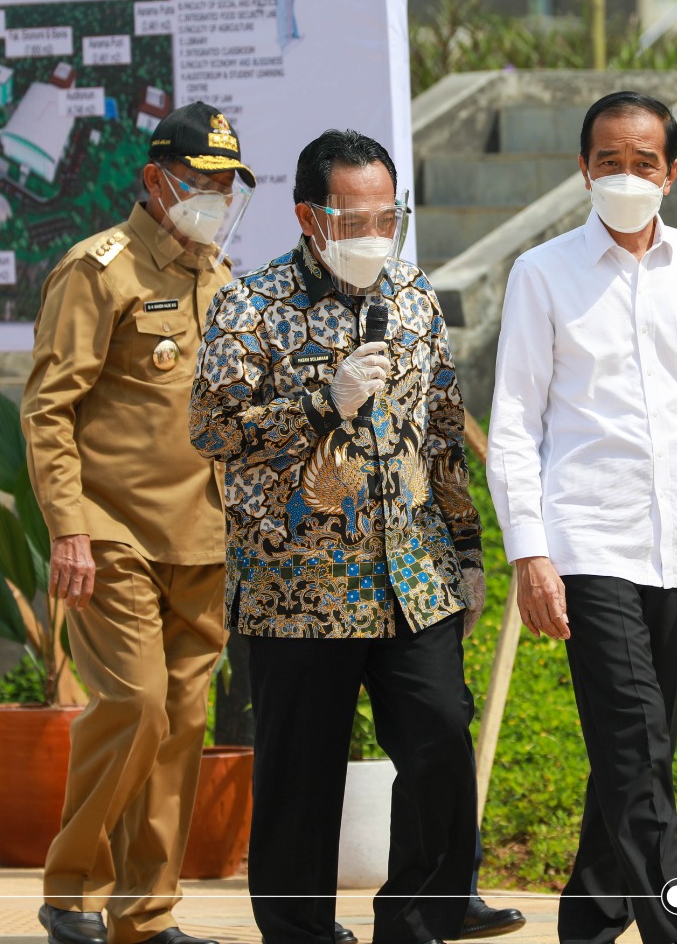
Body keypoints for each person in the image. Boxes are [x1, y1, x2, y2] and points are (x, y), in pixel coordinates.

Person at [190, 128, 523, 944]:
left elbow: (443, 428)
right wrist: (319, 404)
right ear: (309, 216)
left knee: (440, 742)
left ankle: (418, 918)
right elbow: (210, 430)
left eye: (388, 218)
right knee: (300, 778)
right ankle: (300, 932)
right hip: (296, 589)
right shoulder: (250, 305)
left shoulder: (413, 296)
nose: (375, 235)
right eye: (355, 220)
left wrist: (467, 552)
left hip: (413, 577)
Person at [486, 91, 677, 944]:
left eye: (643, 162)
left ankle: (587, 920)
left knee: (640, 753)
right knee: (635, 744)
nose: (625, 176)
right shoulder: (543, 273)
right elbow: (515, 422)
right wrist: (530, 553)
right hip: (586, 543)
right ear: (583, 171)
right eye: (608, 161)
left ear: (671, 172)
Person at [23, 101, 255, 944]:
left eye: (227, 185)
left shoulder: (220, 280)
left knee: (184, 724)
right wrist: (68, 529)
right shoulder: (99, 271)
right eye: (202, 182)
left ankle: (145, 915)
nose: (216, 199)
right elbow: (49, 408)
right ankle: (71, 888)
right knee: (137, 704)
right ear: (157, 180)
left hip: (204, 539)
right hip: (112, 533)